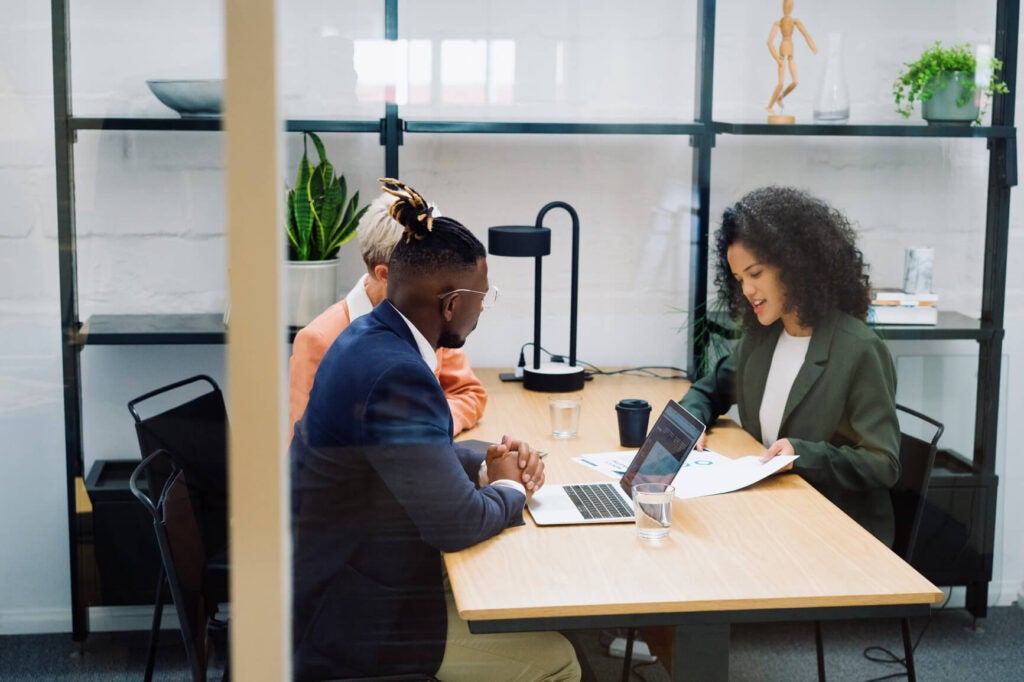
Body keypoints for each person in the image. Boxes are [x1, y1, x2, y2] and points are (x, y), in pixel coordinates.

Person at [291, 179, 581, 682]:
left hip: (340, 580)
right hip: (356, 627)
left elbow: (407, 456)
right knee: (558, 659)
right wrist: (510, 486)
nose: (482, 310)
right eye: (482, 299)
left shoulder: (369, 337)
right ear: (451, 305)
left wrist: (489, 457)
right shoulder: (396, 372)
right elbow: (458, 524)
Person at [643, 186, 901, 672]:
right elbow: (710, 387)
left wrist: (801, 452)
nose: (747, 290)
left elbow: (884, 464)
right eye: (739, 277)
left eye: (756, 274)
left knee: (686, 545)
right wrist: (692, 419)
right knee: (672, 528)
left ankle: (677, 649)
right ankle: (671, 646)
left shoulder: (858, 349)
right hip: (778, 509)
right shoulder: (763, 337)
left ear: (797, 265)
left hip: (836, 528)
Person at [288, 191, 487, 438]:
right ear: (385, 274)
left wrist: (433, 424)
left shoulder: (433, 316)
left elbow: (468, 393)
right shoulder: (319, 340)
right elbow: (303, 452)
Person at [766, 0, 817, 117]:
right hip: (782, 51)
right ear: (783, 7)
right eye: (786, 6)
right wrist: (776, 58)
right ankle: (769, 106)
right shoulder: (778, 23)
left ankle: (780, 98)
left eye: (790, 6)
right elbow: (769, 42)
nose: (788, 8)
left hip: (790, 51)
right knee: (780, 83)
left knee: (795, 82)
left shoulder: (796, 21)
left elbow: (806, 35)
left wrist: (813, 47)